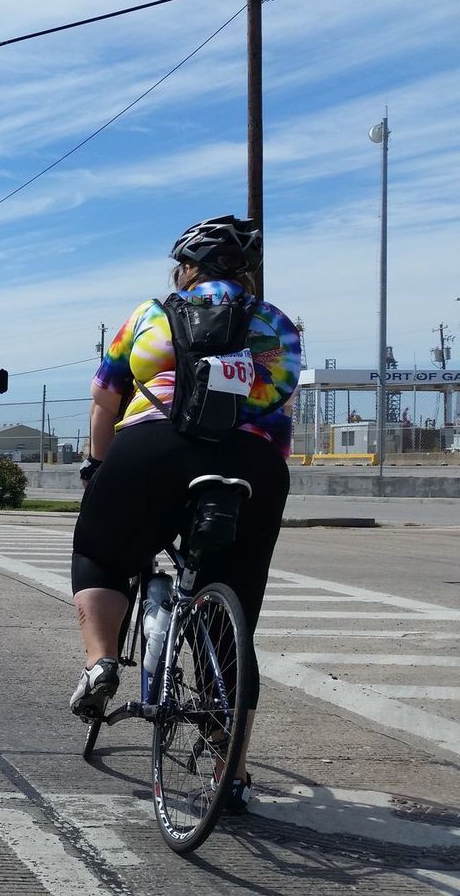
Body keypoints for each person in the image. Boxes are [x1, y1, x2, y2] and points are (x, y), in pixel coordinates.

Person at [68, 215, 301, 811]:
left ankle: (100, 662)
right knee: (233, 613)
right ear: (246, 273)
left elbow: (105, 401)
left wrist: (99, 472)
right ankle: (232, 771)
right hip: (251, 463)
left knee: (100, 552)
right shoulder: (276, 326)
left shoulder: (149, 315)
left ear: (185, 270)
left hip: (153, 449)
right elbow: (280, 410)